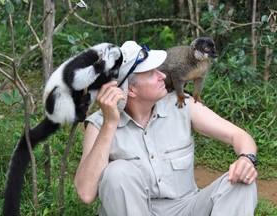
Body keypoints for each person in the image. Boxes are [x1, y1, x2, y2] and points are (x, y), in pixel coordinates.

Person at [74, 41, 258, 216]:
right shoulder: (99, 125)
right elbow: (86, 193)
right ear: (131, 90)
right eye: (152, 73)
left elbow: (239, 136)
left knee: (243, 180)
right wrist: (110, 123)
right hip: (136, 209)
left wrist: (246, 159)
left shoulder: (182, 106)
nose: (163, 75)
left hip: (186, 207)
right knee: (117, 172)